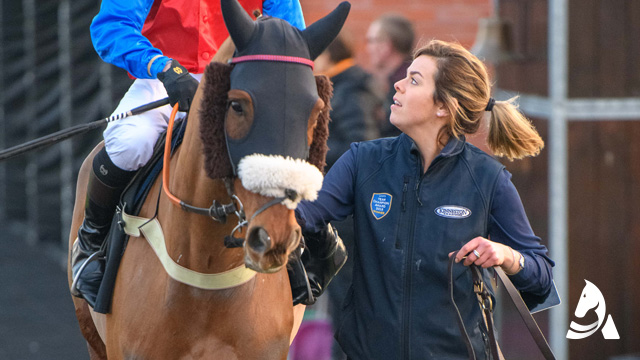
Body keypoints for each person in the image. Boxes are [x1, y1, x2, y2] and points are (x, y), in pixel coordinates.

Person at [295, 39, 555, 359]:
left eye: (414, 80)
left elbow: (542, 280)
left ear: (443, 106)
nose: (399, 85)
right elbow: (304, 216)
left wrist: (505, 255)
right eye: (405, 76)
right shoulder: (363, 161)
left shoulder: (488, 179)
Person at [70, 0, 305, 304]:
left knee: (290, 137)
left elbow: (292, 33)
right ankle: (91, 241)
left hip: (242, 83)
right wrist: (162, 66)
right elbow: (111, 26)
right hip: (164, 78)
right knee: (130, 143)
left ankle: (309, 244)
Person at [313, 31, 381, 360]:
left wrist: (314, 153)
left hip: (350, 212)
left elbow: (363, 147)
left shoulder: (351, 88)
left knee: (345, 297)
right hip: (343, 208)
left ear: (328, 54)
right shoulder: (341, 86)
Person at [365, 13, 414, 138]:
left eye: (371, 41)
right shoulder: (408, 78)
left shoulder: (404, 85)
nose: (368, 48)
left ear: (386, 46)